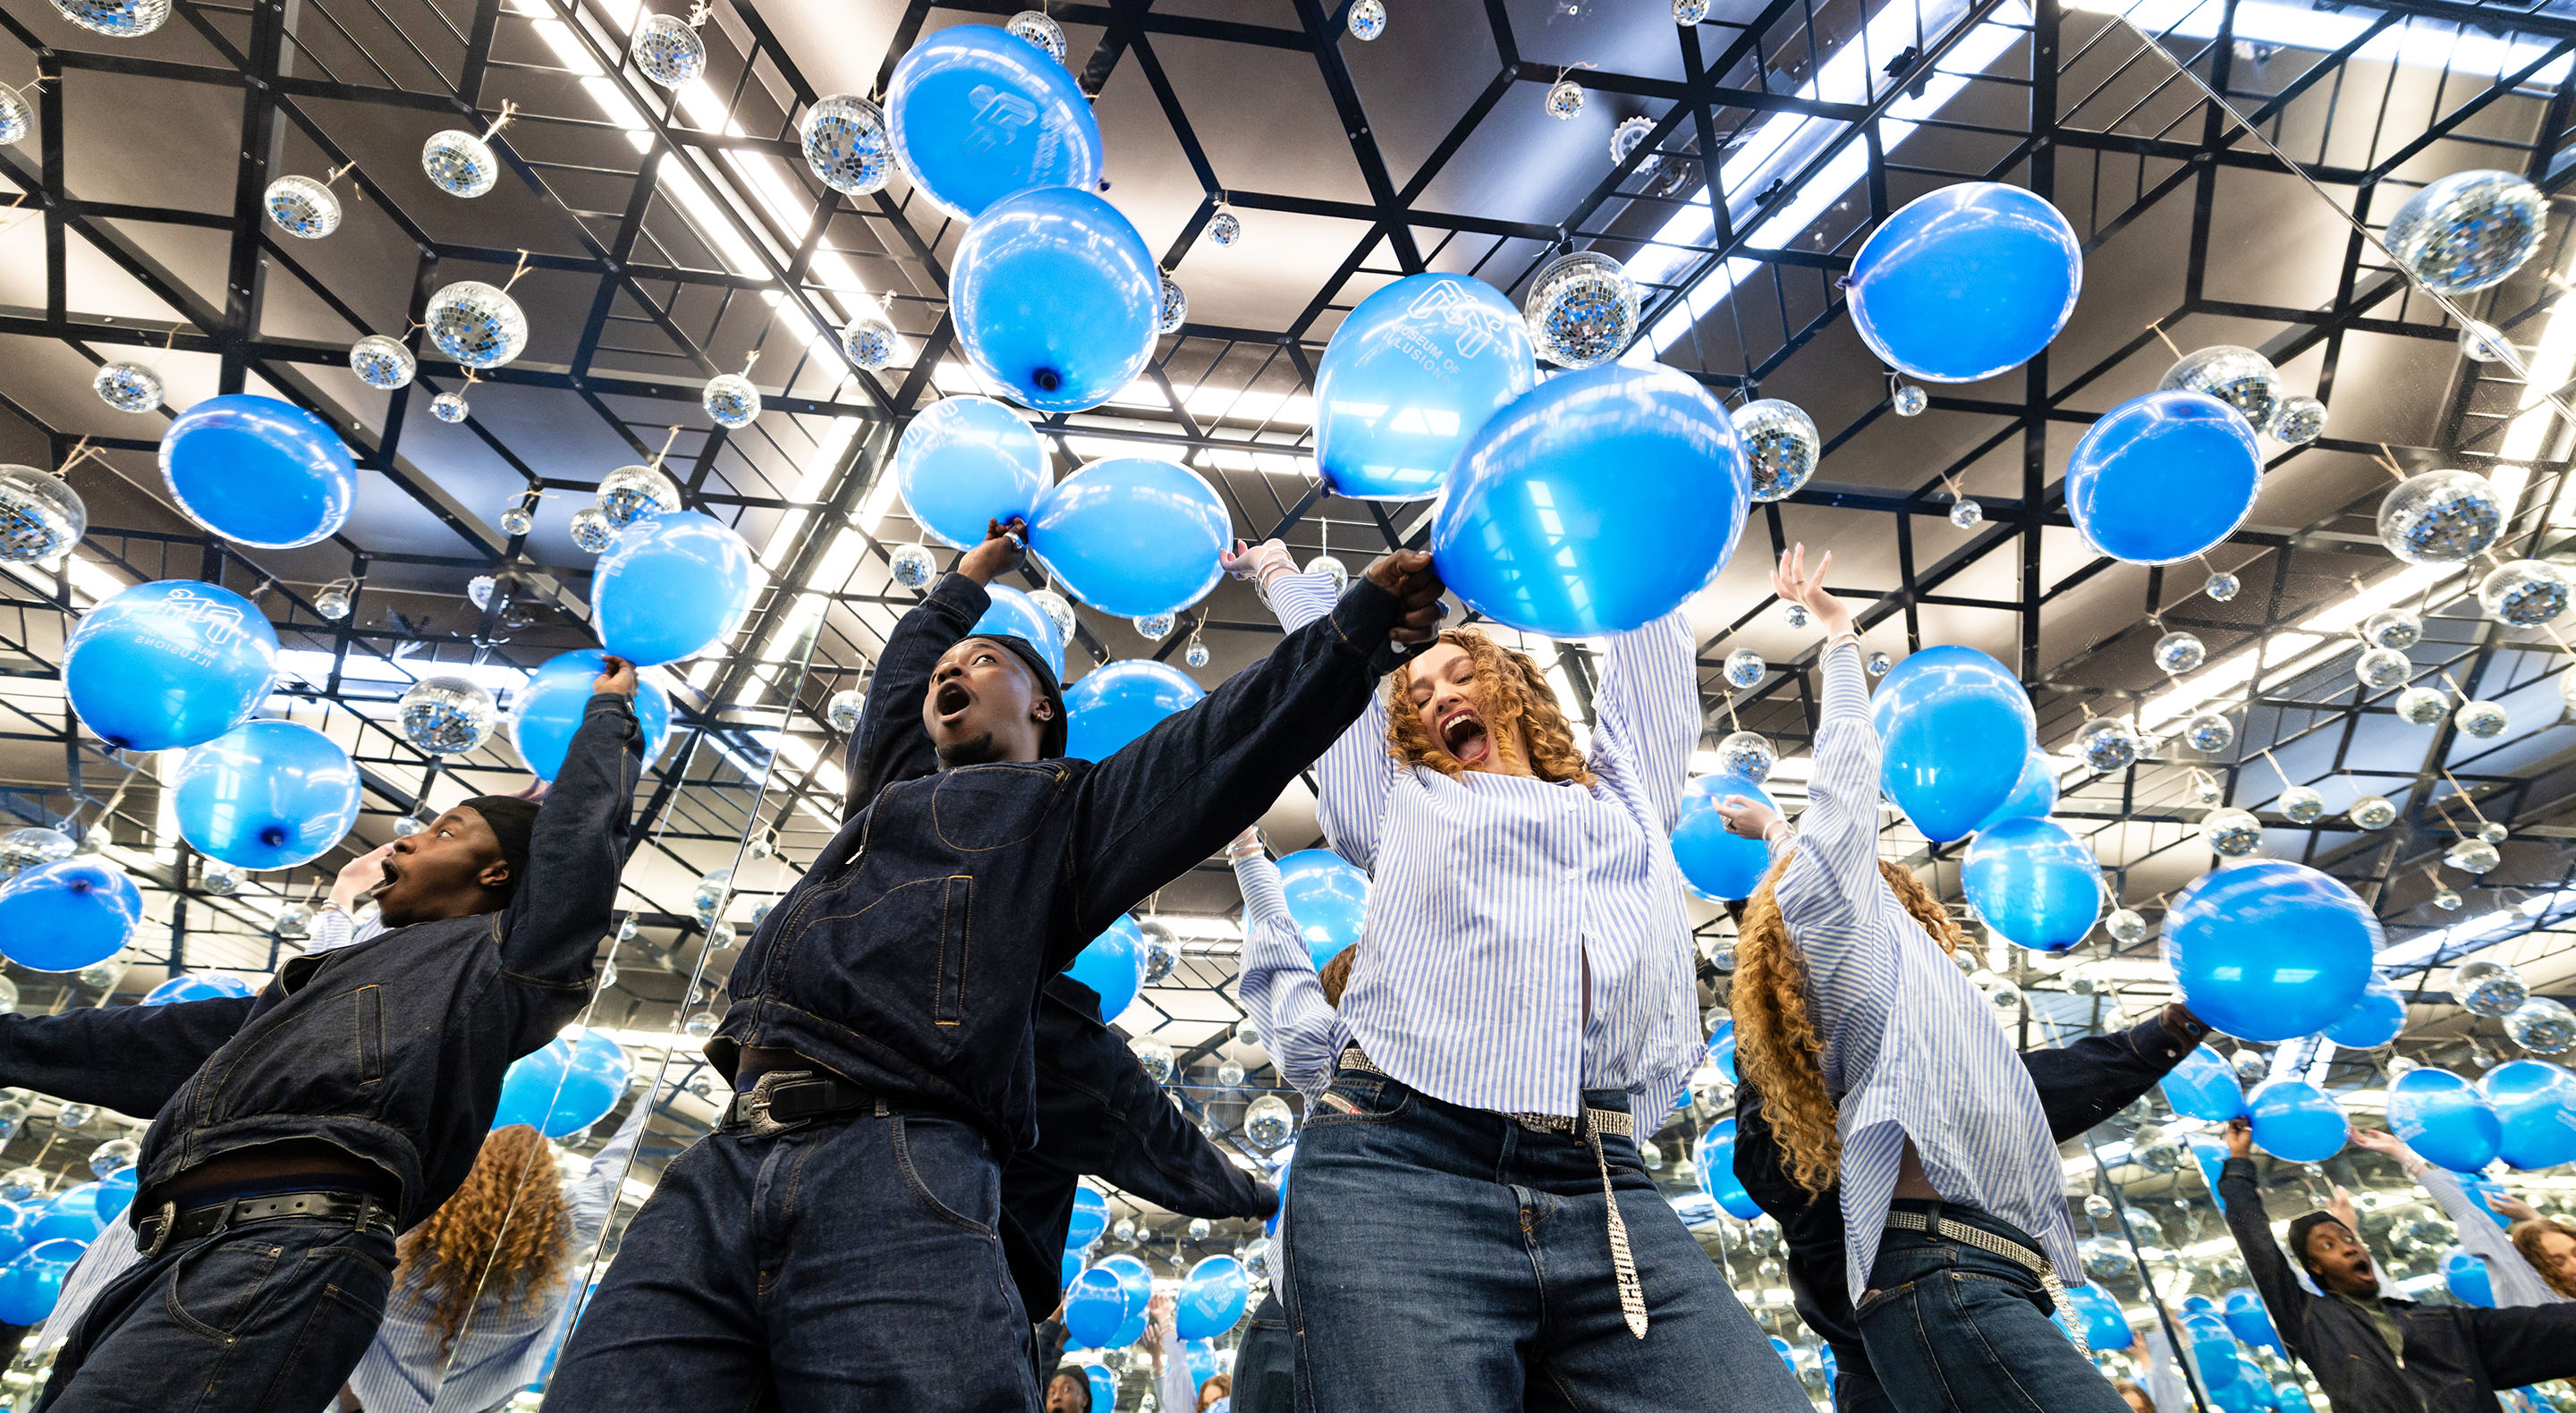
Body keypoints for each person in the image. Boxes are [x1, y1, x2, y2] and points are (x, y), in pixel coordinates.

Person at [541, 520, 1445, 1411]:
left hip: (898, 1164)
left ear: (1043, 706)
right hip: (724, 1158)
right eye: (947, 668)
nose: (948, 673)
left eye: (981, 662)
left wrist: (1354, 629)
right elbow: (903, 673)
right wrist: (964, 581)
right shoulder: (886, 801)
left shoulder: (1063, 813)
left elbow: (1215, 746)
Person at [1230, 537, 1804, 1413]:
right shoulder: (1401, 803)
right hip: (1402, 1158)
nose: (1439, 695)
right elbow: (1336, 667)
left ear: (1514, 689)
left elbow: (1653, 636)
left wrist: (1617, 505)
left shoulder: (1626, 795)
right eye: (1418, 695)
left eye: (1459, 675)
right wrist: (1282, 577)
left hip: (1600, 1173)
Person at [0, 656, 644, 1412]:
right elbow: (160, 1043)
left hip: (284, 1252)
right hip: (164, 1250)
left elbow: (578, 843)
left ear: (497, 875)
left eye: (446, 830)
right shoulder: (323, 979)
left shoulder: (502, 960)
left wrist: (605, 720)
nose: (403, 842)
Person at [1714, 546, 2119, 1413]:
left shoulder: (1870, 944)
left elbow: (1816, 856)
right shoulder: (1831, 913)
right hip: (1934, 1266)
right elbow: (1846, 782)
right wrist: (1837, 634)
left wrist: (1776, 831)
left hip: (1969, 1263)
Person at [1731, 997, 2215, 1413]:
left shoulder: (1914, 1079)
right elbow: (1778, 1167)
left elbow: (2021, 1096)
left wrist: (2165, 1036)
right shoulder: (1822, 1103)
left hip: (1937, 1303)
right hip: (1912, 1312)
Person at [2217, 1115, 2576, 1410]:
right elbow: (2256, 1243)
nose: (2347, 1247)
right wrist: (2238, 1165)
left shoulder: (2445, 1324)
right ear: (2315, 1268)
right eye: (2328, 1245)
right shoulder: (2310, 1321)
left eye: (2349, 1239)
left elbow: (2549, 1326)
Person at [343, 1096, 650, 1412]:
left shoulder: (427, 1217)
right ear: (546, 1180)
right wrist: (646, 1102)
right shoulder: (562, 1232)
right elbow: (613, 1172)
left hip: (369, 1398)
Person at [2348, 1127, 2570, 1307]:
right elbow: (2468, 1215)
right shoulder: (2539, 1303)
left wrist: (2533, 1218)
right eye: (2558, 1262)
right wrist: (2406, 1158)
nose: (2574, 1264)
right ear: (2538, 1271)